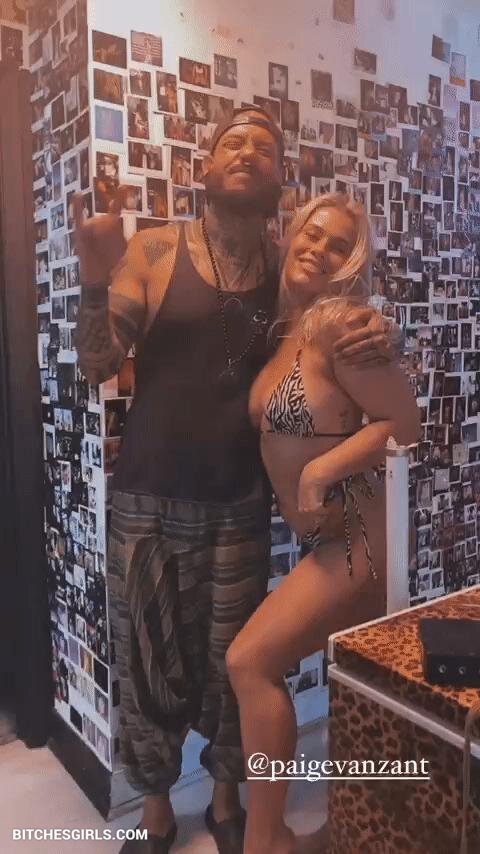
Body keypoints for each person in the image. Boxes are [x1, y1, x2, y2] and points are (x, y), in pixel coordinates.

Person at [74, 108, 399, 854]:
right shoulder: (155, 251)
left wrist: (380, 328)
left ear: (280, 178)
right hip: (149, 500)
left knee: (233, 673)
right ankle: (156, 814)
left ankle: (226, 807)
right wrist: (94, 279)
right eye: (233, 141)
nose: (248, 150)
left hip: (240, 505)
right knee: (145, 664)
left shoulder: (288, 274)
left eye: (265, 146)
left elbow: (340, 324)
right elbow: (98, 365)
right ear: (206, 168)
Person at [226, 194, 421, 854]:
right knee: (354, 690)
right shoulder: (286, 329)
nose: (320, 249)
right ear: (291, 236)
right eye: (313, 234)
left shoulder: (345, 324)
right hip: (324, 538)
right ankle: (330, 832)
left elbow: (406, 424)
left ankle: (265, 841)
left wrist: (317, 471)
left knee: (250, 661)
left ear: (351, 264)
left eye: (339, 245)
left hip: (360, 532)